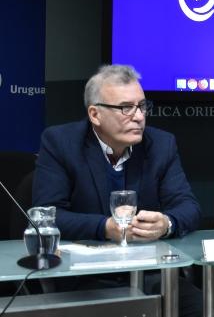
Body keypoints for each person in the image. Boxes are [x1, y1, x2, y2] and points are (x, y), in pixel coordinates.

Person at [32, 65, 202, 317]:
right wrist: (105, 227)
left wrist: (166, 223)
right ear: (95, 114)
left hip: (149, 272)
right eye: (126, 108)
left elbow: (189, 206)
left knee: (201, 307)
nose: (139, 116)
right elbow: (48, 213)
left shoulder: (161, 145)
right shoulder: (61, 143)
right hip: (84, 277)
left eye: (142, 106)